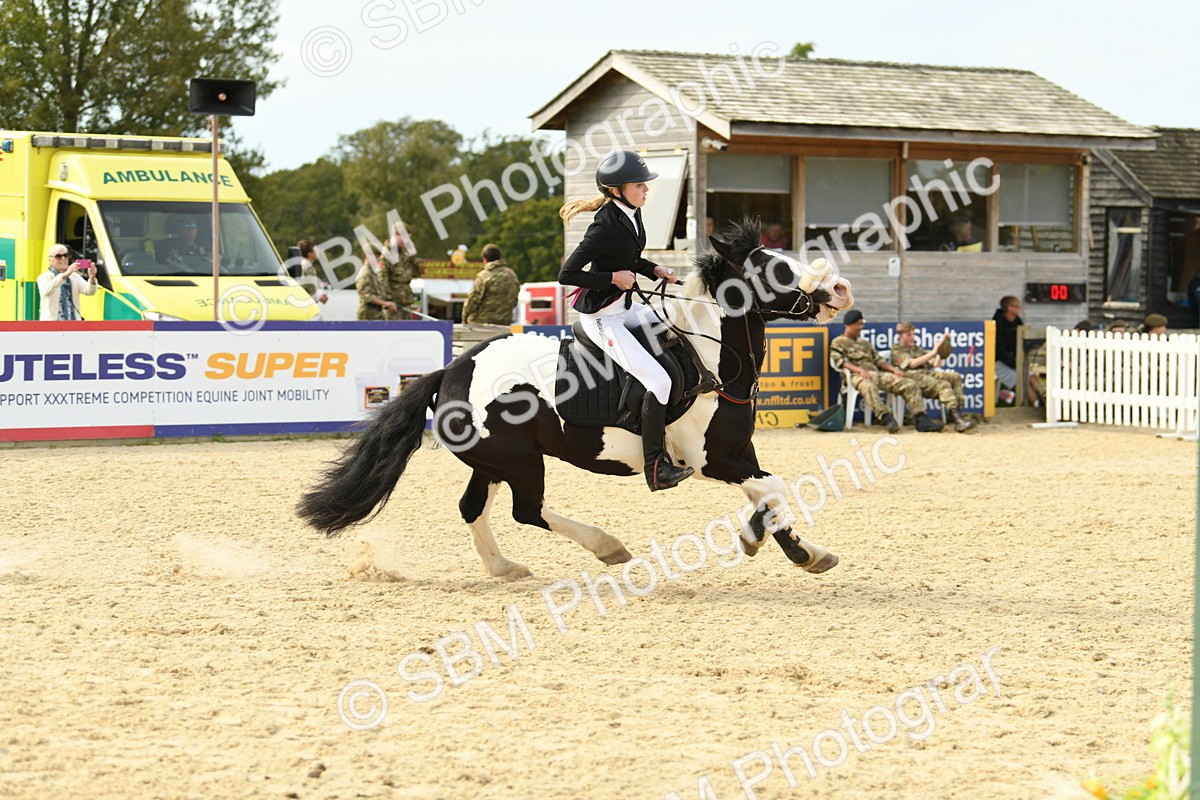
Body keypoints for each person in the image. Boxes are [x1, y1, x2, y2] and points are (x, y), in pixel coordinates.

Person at [558, 149, 691, 492]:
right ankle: (655, 467)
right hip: (602, 317)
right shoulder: (603, 225)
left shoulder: (631, 214)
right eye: (639, 185)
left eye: (645, 184)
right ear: (617, 190)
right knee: (659, 382)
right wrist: (613, 279)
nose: (646, 190)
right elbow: (567, 274)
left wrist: (654, 269)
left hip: (624, 308)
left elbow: (630, 257)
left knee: (672, 315)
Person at [831, 310, 942, 433]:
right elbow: (841, 362)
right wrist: (860, 370)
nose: (860, 327)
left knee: (909, 383)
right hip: (856, 376)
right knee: (869, 387)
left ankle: (921, 419)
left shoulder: (865, 343)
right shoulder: (838, 342)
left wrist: (894, 370)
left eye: (862, 324)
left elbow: (879, 360)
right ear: (848, 324)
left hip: (876, 374)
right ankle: (886, 418)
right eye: (858, 324)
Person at [890, 322, 977, 432]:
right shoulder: (896, 350)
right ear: (900, 336)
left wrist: (942, 347)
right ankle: (958, 420)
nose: (912, 337)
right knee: (943, 385)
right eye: (908, 335)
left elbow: (936, 364)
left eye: (913, 334)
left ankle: (955, 414)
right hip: (910, 377)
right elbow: (912, 364)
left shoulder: (917, 349)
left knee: (955, 377)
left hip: (925, 374)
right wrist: (933, 352)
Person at [461, 243, 520, 325]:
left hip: (481, 323)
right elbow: (514, 300)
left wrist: (464, 317)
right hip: (504, 323)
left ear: (485, 259)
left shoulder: (484, 276)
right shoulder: (512, 275)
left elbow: (473, 299)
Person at [38, 243, 97, 320]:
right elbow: (46, 290)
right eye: (58, 256)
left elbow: (89, 291)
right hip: (52, 326)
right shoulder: (44, 277)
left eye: (65, 255)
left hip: (74, 324)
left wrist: (92, 278)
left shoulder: (74, 276)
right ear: (50, 260)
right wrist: (65, 274)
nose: (63, 258)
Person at [384, 222, 421, 320]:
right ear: (395, 236)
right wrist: (387, 301)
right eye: (404, 238)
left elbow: (417, 274)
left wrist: (413, 256)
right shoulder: (386, 254)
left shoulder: (405, 255)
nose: (407, 241)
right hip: (393, 305)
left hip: (406, 302)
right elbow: (382, 280)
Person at [992, 296, 1023, 404]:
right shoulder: (997, 323)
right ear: (1009, 308)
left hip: (1014, 360)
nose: (1020, 308)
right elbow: (999, 350)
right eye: (1017, 306)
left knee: (1032, 376)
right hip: (1000, 361)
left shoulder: (1018, 321)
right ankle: (1030, 403)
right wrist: (1015, 363)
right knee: (1022, 379)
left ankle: (1038, 402)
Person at [355, 243, 398, 320]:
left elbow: (377, 294)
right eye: (377, 257)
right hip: (367, 316)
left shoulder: (373, 273)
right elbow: (365, 296)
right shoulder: (365, 274)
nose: (379, 260)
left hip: (376, 315)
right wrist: (385, 303)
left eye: (379, 257)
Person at [297, 239, 328, 304]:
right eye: (315, 250)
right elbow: (310, 291)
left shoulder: (302, 265)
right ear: (309, 254)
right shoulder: (308, 268)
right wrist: (320, 298)